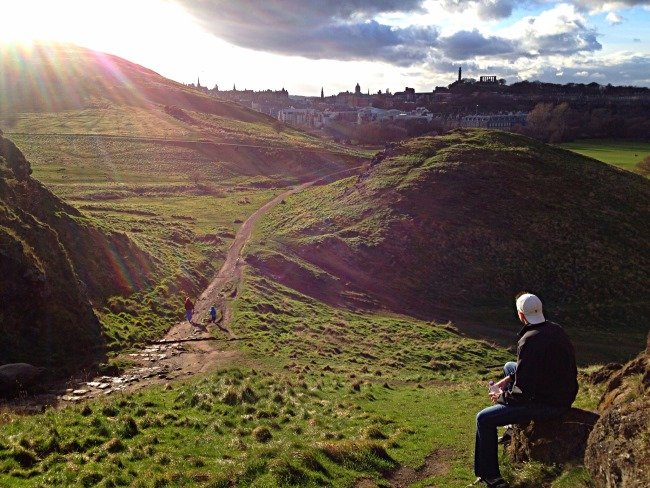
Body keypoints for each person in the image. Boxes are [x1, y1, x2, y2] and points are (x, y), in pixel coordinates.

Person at [472, 292, 578, 487]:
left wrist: (501, 396)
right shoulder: (556, 330)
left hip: (547, 404)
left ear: (521, 315)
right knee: (509, 366)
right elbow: (540, 368)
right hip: (562, 394)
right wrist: (510, 377)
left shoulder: (529, 340)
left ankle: (491, 476)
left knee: (484, 419)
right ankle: (513, 428)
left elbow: (523, 394)